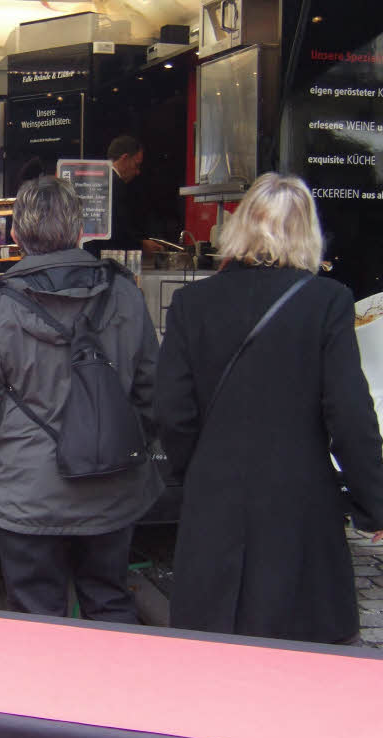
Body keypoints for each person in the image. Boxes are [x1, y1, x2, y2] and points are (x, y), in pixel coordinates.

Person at [154, 172, 383, 644]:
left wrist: (196, 468)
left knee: (212, 647)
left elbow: (171, 409)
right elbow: (350, 414)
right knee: (302, 654)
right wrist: (374, 503)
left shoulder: (192, 303)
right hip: (300, 503)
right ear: (308, 233)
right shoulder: (327, 302)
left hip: (214, 497)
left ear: (240, 227)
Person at [0, 176, 163, 621]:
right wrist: (125, 443)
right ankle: (110, 693)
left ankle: (45, 692)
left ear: (14, 234)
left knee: (35, 618)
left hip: (25, 494)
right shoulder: (124, 293)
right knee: (110, 601)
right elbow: (151, 390)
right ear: (80, 230)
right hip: (113, 484)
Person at [85, 135, 155, 257]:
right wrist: (141, 245)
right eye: (136, 165)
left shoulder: (96, 180)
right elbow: (118, 230)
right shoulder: (115, 185)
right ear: (125, 158)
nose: (138, 172)